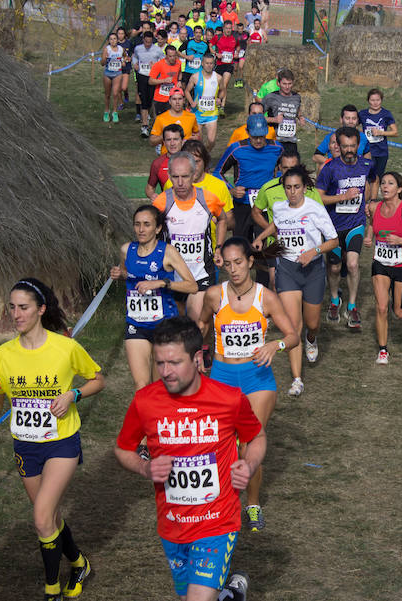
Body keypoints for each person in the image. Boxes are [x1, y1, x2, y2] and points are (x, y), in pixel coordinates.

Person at [114, 317, 265, 601]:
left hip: (217, 523)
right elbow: (123, 448)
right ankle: (230, 594)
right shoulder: (145, 402)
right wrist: (145, 467)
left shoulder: (228, 399)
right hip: (172, 524)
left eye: (174, 363)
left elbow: (256, 437)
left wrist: (250, 463)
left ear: (197, 359)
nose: (166, 372)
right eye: (160, 364)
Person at [0, 278, 105, 600]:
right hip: (25, 445)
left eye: (23, 307)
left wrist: (73, 394)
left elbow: (97, 379)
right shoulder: (2, 355)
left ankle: (51, 589)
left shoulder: (65, 347)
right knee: (48, 516)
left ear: (40, 310)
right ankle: (79, 563)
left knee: (40, 517)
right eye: (12, 307)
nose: (16, 314)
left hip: (62, 441)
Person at [197, 237, 297, 531]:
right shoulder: (215, 295)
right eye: (227, 264)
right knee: (220, 444)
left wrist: (274, 346)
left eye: (238, 262)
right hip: (222, 378)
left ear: (250, 262)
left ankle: (252, 505)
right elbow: (202, 326)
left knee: (249, 444)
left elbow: (291, 335)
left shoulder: (265, 297)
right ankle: (219, 501)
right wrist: (197, 351)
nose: (234, 269)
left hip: (257, 379)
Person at [253, 166, 338, 396]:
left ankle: (312, 339)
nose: (292, 192)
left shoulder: (315, 209)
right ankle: (297, 380)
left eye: (296, 187)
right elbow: (277, 223)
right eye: (288, 188)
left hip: (312, 271)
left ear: (304, 187)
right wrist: (262, 237)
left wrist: (313, 251)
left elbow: (334, 240)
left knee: (311, 324)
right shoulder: (279, 207)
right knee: (293, 327)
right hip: (288, 269)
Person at [110, 205, 199, 390]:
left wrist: (162, 283)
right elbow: (128, 275)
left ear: (157, 228)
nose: (141, 230)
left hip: (164, 325)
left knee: (161, 386)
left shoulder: (167, 252)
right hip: (136, 323)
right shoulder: (127, 250)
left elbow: (192, 285)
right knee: (141, 386)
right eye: (137, 224)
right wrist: (120, 275)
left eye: (147, 224)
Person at [153, 152, 228, 322]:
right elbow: (150, 230)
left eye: (185, 177)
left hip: (200, 271)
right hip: (172, 274)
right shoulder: (161, 202)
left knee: (198, 323)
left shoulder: (207, 199)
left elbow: (223, 219)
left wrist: (219, 248)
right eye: (175, 177)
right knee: (177, 325)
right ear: (170, 176)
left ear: (194, 175)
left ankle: (202, 348)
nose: (180, 183)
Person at [316, 126, 377, 330]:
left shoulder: (367, 164)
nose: (349, 150)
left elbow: (373, 179)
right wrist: (343, 197)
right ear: (338, 146)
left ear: (358, 145)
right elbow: (318, 197)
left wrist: (371, 201)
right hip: (332, 228)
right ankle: (334, 301)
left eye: (353, 146)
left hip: (355, 224)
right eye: (345, 146)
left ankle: (352, 306)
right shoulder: (330, 168)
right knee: (334, 267)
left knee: (352, 264)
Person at [363, 172, 402, 364]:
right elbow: (373, 225)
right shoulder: (374, 207)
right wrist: (369, 237)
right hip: (380, 263)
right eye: (383, 183)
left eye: (390, 184)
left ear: (399, 189)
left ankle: (396, 303)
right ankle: (383, 350)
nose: (385, 187)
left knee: (398, 312)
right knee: (381, 307)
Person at [213, 114, 283, 258]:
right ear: (247, 133)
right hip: (243, 204)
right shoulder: (237, 149)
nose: (258, 140)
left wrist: (277, 181)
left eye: (262, 136)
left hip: (265, 205)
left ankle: (263, 277)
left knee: (264, 249)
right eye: (254, 136)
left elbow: (285, 168)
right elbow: (217, 172)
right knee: (240, 248)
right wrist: (231, 189)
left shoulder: (277, 148)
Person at [252, 149, 321, 289]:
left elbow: (320, 218)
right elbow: (256, 212)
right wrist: (271, 232)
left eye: (293, 168)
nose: (289, 171)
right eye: (285, 168)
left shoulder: (310, 190)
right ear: (279, 168)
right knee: (274, 281)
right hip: (277, 245)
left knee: (300, 285)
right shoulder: (268, 188)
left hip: (304, 246)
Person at [183, 139, 236, 239]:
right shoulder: (172, 184)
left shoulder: (218, 186)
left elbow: (231, 223)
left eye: (197, 162)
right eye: (189, 162)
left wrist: (218, 220)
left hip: (210, 250)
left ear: (205, 162)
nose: (193, 167)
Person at [312, 104, 370, 175]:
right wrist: (331, 163)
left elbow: (367, 153)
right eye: (347, 118)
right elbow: (316, 156)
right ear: (341, 119)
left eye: (354, 118)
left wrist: (366, 165)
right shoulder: (332, 137)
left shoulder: (363, 137)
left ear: (357, 120)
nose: (351, 122)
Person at [358, 88, 398, 185]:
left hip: (381, 151)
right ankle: (366, 198)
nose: (375, 103)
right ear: (368, 101)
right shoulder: (362, 114)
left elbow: (395, 132)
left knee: (377, 178)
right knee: (366, 176)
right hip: (367, 151)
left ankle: (373, 199)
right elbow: (352, 126)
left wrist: (381, 132)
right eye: (372, 100)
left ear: (381, 100)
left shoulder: (386, 114)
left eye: (378, 100)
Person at [186, 53, 224, 151]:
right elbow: (187, 91)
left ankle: (205, 155)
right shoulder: (195, 77)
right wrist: (191, 102)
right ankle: (202, 158)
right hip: (197, 114)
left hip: (212, 113)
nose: (209, 65)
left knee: (211, 141)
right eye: (207, 63)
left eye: (211, 63)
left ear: (214, 64)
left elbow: (223, 90)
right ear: (202, 63)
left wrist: (219, 98)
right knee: (199, 142)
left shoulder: (218, 77)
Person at [133, 31, 166, 137]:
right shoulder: (138, 48)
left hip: (153, 78)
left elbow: (163, 62)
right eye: (146, 42)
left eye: (150, 42)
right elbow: (134, 56)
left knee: (153, 101)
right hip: (142, 76)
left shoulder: (157, 50)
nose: (147, 44)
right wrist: (135, 64)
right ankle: (144, 126)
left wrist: (155, 66)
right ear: (143, 40)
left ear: (153, 41)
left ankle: (156, 125)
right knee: (144, 101)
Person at [263, 69, 304, 153]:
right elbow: (256, 117)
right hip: (274, 140)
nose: (287, 87)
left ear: (293, 83)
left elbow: (297, 111)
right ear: (278, 83)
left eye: (290, 84)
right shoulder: (271, 97)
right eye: (284, 84)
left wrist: (300, 117)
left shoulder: (297, 97)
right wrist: (274, 120)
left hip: (291, 141)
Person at [150, 87, 201, 154]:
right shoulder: (161, 118)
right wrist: (165, 136)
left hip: (186, 156)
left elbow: (197, 134)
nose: (177, 102)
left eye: (180, 99)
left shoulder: (191, 117)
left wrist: (196, 139)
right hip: (167, 157)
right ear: (170, 101)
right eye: (174, 99)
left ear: (184, 100)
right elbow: (152, 142)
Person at [146, 123, 186, 200]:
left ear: (182, 140)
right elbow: (149, 188)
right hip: (169, 208)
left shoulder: (193, 160)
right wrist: (153, 196)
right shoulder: (157, 163)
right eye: (168, 140)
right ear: (163, 142)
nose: (172, 143)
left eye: (176, 139)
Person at [149, 45, 183, 118]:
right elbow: (150, 81)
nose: (173, 58)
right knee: (160, 122)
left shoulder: (178, 63)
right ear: (166, 56)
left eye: (174, 56)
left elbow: (180, 72)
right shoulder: (158, 65)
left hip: (173, 97)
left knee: (173, 120)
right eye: (170, 56)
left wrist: (179, 81)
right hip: (160, 98)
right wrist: (163, 80)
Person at [101, 32, 128, 123]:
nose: (113, 41)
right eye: (111, 39)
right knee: (107, 94)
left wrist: (124, 61)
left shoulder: (121, 49)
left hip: (117, 73)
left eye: (114, 39)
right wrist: (105, 58)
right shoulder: (107, 49)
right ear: (109, 41)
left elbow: (125, 56)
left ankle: (115, 112)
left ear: (117, 40)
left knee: (116, 93)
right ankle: (106, 111)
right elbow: (102, 63)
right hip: (108, 73)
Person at [213, 23, 238, 97]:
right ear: (223, 29)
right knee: (217, 85)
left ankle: (222, 105)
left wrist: (237, 53)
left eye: (229, 28)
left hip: (229, 65)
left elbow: (238, 47)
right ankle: (217, 100)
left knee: (224, 85)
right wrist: (216, 54)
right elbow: (210, 46)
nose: (228, 30)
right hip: (219, 64)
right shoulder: (218, 37)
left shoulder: (234, 38)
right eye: (226, 28)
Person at [232, 21, 249, 88]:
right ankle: (236, 80)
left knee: (241, 67)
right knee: (235, 69)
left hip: (243, 53)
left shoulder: (246, 34)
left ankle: (241, 81)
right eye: (239, 29)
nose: (240, 30)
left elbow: (248, 41)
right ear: (237, 29)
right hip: (236, 53)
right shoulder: (234, 34)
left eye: (241, 29)